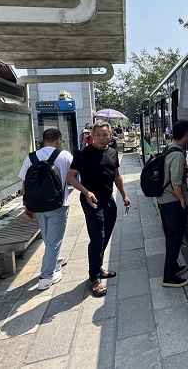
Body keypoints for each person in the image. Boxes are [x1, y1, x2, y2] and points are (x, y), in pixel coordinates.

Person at [67, 122, 132, 297]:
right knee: (97, 238)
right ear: (92, 135)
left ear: (110, 135)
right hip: (91, 201)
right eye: (98, 135)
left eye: (105, 135)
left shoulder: (112, 152)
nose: (102, 138)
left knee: (106, 235)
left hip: (108, 199)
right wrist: (86, 192)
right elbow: (71, 176)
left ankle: (98, 266)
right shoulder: (84, 154)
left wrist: (124, 195)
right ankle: (94, 278)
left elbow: (117, 175)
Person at [18, 128, 73, 290]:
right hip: (58, 205)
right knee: (54, 241)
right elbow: (74, 176)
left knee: (49, 238)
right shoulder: (65, 156)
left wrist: (27, 205)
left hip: (38, 206)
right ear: (58, 140)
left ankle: (55, 261)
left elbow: (24, 183)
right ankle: (47, 277)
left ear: (44, 141)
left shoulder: (30, 158)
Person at [157, 119, 188, 288]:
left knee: (171, 236)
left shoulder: (170, 148)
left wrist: (187, 175)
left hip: (163, 200)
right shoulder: (179, 154)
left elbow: (171, 173)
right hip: (172, 202)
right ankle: (169, 277)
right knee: (175, 238)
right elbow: (175, 182)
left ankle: (173, 267)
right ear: (187, 134)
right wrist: (182, 199)